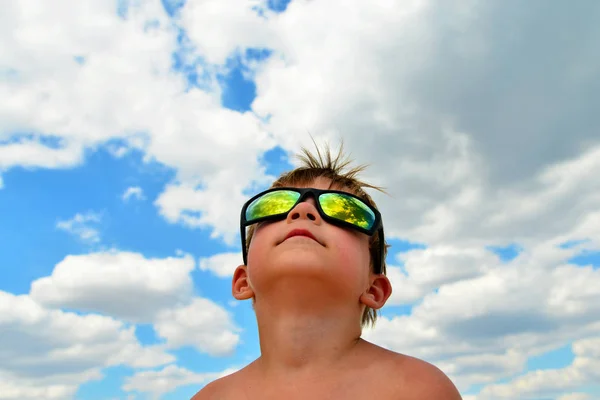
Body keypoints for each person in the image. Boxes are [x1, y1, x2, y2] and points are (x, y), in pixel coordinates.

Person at [192, 141, 462, 399]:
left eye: (345, 211)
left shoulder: (417, 387)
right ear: (242, 281)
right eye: (274, 205)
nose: (303, 209)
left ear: (374, 289)